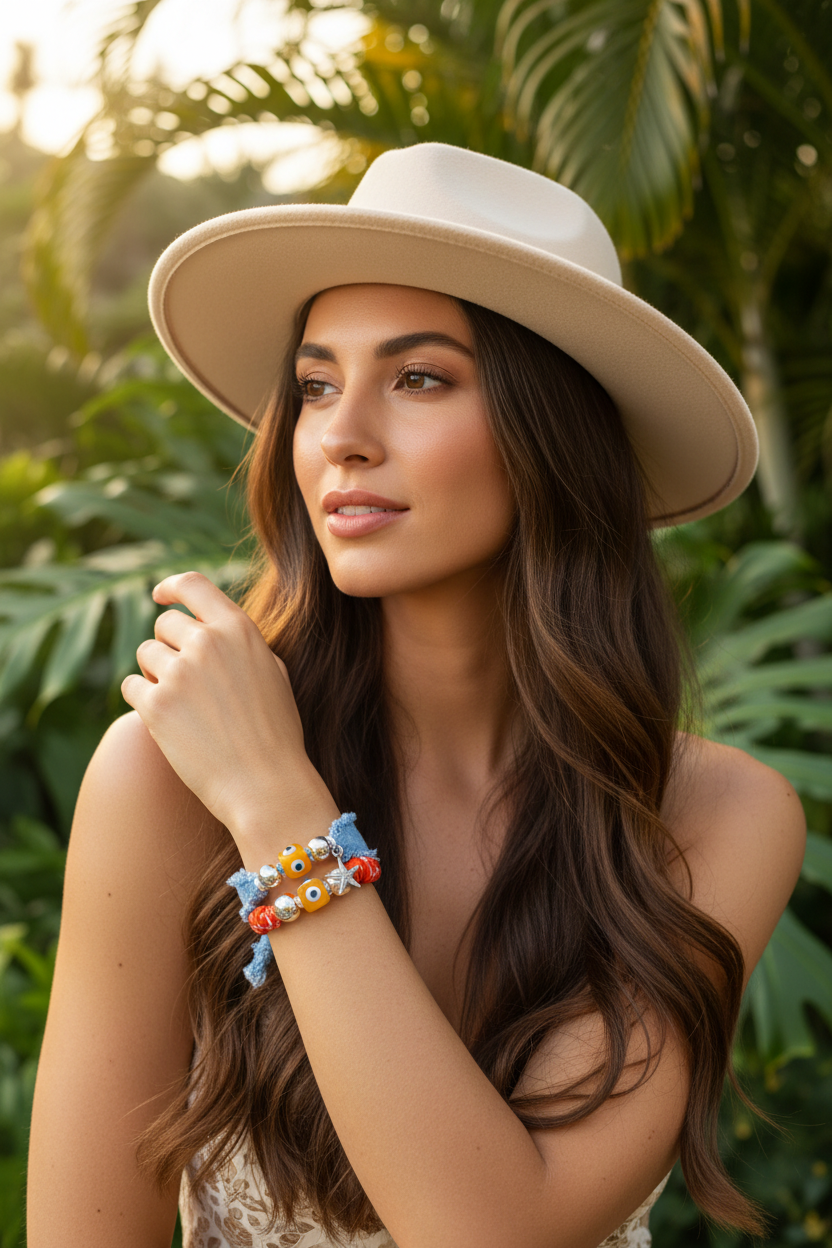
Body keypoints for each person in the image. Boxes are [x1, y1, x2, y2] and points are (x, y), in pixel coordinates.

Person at [27, 144, 806, 1248]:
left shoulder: (709, 819)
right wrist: (245, 787)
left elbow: (497, 1230)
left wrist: (277, 803)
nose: (339, 436)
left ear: (555, 437)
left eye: (420, 377)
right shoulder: (163, 780)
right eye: (313, 386)